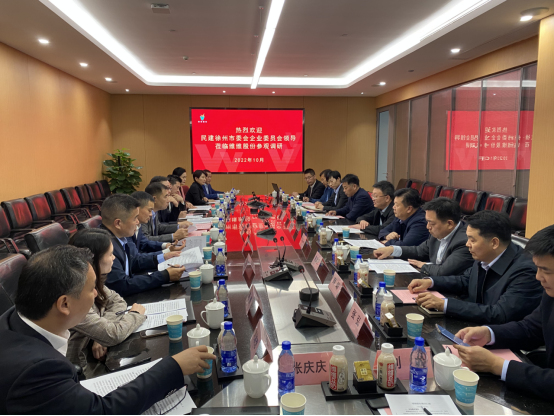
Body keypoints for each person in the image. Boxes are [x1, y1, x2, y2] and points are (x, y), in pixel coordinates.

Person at [0, 245, 215, 414]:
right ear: (64, 304)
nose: (97, 294)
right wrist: (174, 367)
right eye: (91, 289)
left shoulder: (14, 318)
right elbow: (102, 411)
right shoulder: (37, 370)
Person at [452, 225, 554, 401]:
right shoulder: (550, 293)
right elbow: (531, 328)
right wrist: (489, 333)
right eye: (537, 268)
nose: (538, 277)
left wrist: (497, 365)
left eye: (545, 270)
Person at [408, 210, 542, 324]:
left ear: (494, 243)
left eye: (472, 240)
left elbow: (499, 314)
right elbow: (466, 280)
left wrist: (445, 304)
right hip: (474, 324)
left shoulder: (526, 272)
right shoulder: (486, 254)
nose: (467, 244)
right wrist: (431, 282)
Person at [67, 229, 147, 374]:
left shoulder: (93, 281)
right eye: (110, 254)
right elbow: (114, 334)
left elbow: (117, 301)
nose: (114, 258)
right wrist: (135, 314)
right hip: (83, 372)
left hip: (93, 360)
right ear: (93, 260)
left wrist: (100, 334)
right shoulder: (75, 295)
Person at [99, 194, 186, 296]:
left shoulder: (119, 237)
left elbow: (134, 261)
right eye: (135, 218)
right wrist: (164, 276)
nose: (137, 222)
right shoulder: (104, 246)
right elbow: (122, 285)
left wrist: (164, 256)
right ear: (118, 223)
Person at [373, 198, 473, 276]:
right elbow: (419, 251)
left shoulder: (465, 241)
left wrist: (423, 265)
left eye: (431, 223)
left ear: (449, 224)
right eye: (427, 222)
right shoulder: (438, 232)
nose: (427, 227)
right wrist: (392, 249)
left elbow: (443, 271)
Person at [130, 191, 184, 257]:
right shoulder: (128, 229)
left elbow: (144, 242)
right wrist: (165, 253)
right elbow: (136, 258)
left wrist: (166, 245)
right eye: (165, 196)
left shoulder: (139, 224)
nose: (151, 214)